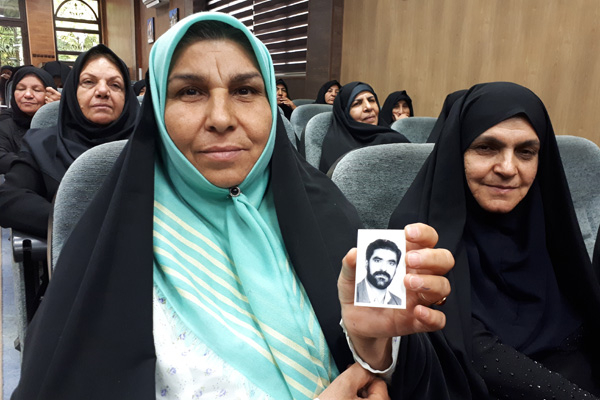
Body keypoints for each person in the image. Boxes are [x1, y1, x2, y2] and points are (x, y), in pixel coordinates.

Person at [11, 13, 486, 400]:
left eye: (245, 90)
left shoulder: (326, 214)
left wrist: (375, 349)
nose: (221, 118)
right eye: (190, 91)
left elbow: (414, 380)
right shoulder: (110, 250)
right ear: (156, 109)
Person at [389, 81, 600, 399]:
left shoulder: (547, 224)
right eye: (486, 147)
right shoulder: (415, 232)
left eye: (526, 152)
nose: (507, 168)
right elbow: (469, 348)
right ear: (457, 150)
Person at [0, 44, 138, 238]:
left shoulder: (152, 144)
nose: (102, 91)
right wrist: (78, 223)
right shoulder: (41, 144)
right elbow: (8, 199)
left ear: (127, 97)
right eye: (89, 82)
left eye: (115, 85)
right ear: (73, 92)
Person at [318, 81, 409, 174]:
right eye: (357, 103)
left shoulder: (394, 139)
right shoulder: (336, 146)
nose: (368, 107)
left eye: (371, 100)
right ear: (345, 113)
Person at [0, 67, 56, 173]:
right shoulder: (5, 122)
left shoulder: (62, 122)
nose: (28, 95)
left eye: (37, 90)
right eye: (21, 89)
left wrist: (59, 111)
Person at [355, 239, 403, 305]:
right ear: (366, 264)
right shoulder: (352, 294)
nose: (383, 269)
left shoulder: (399, 303)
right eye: (377, 261)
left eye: (391, 263)